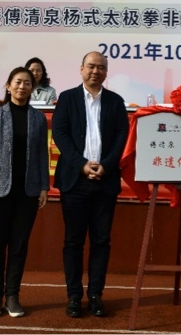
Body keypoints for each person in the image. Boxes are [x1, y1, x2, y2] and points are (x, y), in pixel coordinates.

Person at [52, 51, 130, 319]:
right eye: (91, 66)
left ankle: (96, 295)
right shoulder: (67, 98)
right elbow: (60, 133)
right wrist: (82, 164)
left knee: (101, 241)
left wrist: (105, 165)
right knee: (73, 241)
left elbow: (122, 136)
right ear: (81, 69)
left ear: (106, 72)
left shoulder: (115, 101)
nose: (95, 71)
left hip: (105, 181)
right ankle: (74, 296)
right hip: (75, 181)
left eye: (101, 67)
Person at [0, 67, 50, 318]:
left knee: (19, 246)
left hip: (27, 193)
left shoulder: (38, 118)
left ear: (33, 88)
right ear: (8, 86)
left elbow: (42, 155)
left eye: (27, 83)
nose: (22, 87)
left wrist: (44, 186)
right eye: (18, 82)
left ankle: (13, 296)